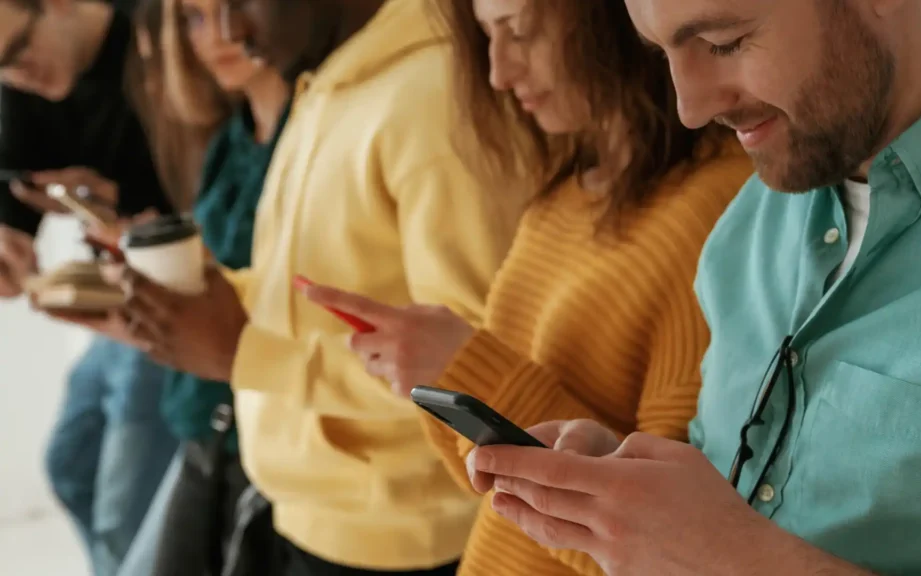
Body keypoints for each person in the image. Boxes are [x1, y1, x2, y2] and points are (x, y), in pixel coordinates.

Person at [461, 1, 921, 575]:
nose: (690, 108)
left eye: (724, 43)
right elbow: (733, 499)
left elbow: (733, 552)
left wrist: (742, 560)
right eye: (663, 53)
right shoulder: (749, 223)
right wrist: (633, 495)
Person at [299, 0, 751, 575]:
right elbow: (501, 500)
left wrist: (469, 369)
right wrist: (442, 377)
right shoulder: (563, 198)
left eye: (521, 32)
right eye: (487, 37)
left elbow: (666, 547)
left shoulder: (714, 211)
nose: (498, 72)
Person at [107, 0, 524, 574]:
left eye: (237, 2)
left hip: (395, 539)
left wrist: (242, 352)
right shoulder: (328, 80)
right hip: (305, 512)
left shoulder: (434, 98)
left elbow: (472, 371)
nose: (228, 33)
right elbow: (321, 295)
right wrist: (199, 305)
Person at [110, 0, 291, 573]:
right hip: (203, 418)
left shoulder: (314, 136)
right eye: (192, 17)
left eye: (230, 9)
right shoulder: (227, 141)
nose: (217, 36)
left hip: (266, 432)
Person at [0, 1, 180, 573]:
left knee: (122, 513)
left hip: (178, 299)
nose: (15, 75)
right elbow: (13, 176)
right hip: (115, 299)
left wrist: (119, 213)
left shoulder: (161, 51)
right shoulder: (20, 82)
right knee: (71, 465)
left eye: (16, 52)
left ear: (58, 5)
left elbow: (208, 213)